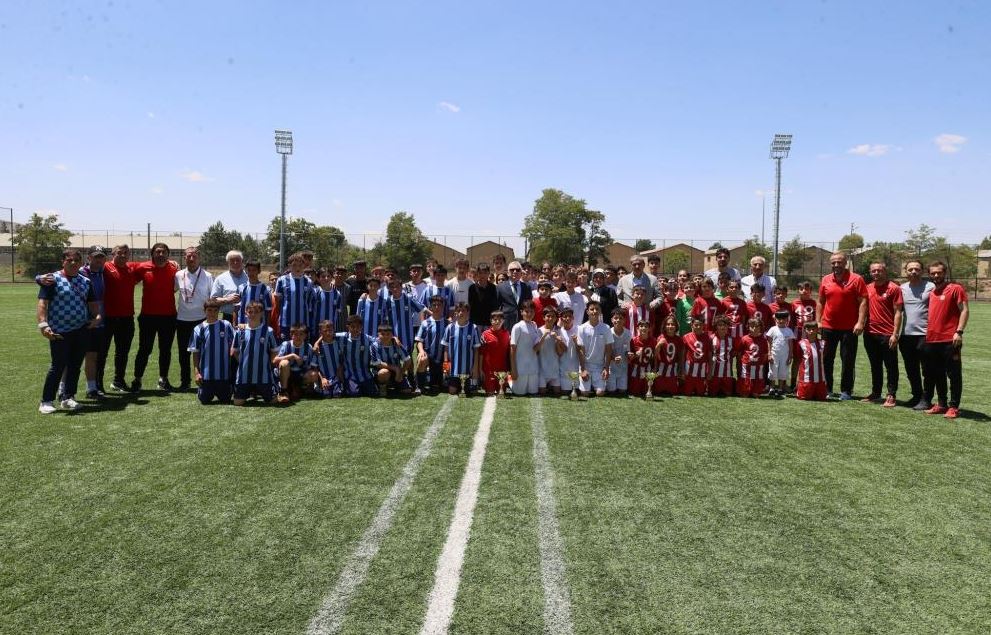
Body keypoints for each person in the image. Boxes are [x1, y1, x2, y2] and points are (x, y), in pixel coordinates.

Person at [37, 249, 101, 413]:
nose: (73, 263)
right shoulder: (52, 280)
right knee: (58, 366)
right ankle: (46, 401)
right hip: (59, 330)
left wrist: (97, 317)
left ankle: (68, 397)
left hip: (81, 329)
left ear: (81, 263)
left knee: (75, 365)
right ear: (63, 262)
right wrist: (43, 324)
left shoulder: (85, 281)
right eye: (69, 260)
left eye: (76, 260)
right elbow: (43, 303)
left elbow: (93, 305)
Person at [816, 252, 868, 400]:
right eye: (834, 262)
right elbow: (820, 301)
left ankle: (846, 391)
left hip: (849, 328)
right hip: (828, 326)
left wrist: (860, 322)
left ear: (846, 263)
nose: (836, 265)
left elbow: (863, 302)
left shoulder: (856, 279)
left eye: (839, 262)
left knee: (848, 359)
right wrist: (818, 321)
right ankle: (827, 388)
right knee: (826, 359)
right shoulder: (826, 279)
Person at [921, 261, 968, 418]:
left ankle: (954, 406)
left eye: (939, 272)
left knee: (953, 374)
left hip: (950, 339)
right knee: (937, 373)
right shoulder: (932, 293)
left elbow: (964, 310)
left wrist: (959, 332)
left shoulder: (955, 288)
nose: (936, 275)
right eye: (933, 273)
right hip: (932, 340)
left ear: (944, 273)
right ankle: (941, 404)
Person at [132, 242, 179, 393]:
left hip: (168, 317)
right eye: (157, 252)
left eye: (163, 252)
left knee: (165, 350)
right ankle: (137, 379)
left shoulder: (174, 269)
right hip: (148, 317)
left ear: (168, 254)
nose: (160, 254)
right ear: (152, 253)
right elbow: (128, 276)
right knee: (144, 349)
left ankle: (163, 379)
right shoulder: (142, 267)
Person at [862, 262, 903, 407]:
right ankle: (876, 392)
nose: (876, 273)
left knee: (891, 366)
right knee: (875, 365)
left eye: (879, 270)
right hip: (870, 333)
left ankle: (891, 394)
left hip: (887, 334)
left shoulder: (894, 288)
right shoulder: (867, 288)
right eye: (873, 271)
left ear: (885, 272)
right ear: (870, 272)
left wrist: (895, 334)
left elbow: (898, 312)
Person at [174, 247, 214, 392]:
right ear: (184, 258)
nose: (191, 259)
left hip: (201, 320)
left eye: (194, 256)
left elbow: (212, 298)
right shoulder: (178, 274)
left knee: (202, 352)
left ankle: (204, 380)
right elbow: (172, 290)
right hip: (182, 319)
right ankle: (185, 382)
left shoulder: (208, 276)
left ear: (199, 258)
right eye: (188, 256)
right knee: (183, 353)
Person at [899, 261, 934, 409]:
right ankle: (916, 396)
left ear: (922, 271)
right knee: (911, 369)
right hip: (906, 335)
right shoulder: (901, 288)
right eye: (910, 269)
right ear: (905, 271)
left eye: (917, 269)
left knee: (927, 369)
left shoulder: (931, 287)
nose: (913, 271)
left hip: (925, 335)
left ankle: (927, 399)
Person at [231, 301, 280, 406]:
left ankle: (268, 389)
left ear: (262, 313)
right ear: (246, 313)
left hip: (263, 376)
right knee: (238, 403)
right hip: (244, 376)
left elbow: (274, 351)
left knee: (273, 401)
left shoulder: (268, 331)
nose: (253, 314)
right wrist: (243, 362)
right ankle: (251, 391)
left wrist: (269, 364)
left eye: (256, 312)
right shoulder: (240, 331)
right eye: (250, 312)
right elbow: (234, 351)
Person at [188, 299, 235, 404]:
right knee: (204, 400)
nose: (212, 313)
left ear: (219, 311)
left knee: (226, 400)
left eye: (215, 310)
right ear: (204, 311)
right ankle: (203, 390)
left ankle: (229, 387)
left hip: (223, 375)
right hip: (206, 375)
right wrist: (196, 373)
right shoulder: (198, 329)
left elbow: (234, 344)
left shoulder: (226, 325)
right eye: (209, 310)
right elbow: (195, 352)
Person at [274, 253, 315, 343]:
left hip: (303, 322)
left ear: (304, 266)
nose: (297, 268)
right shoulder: (281, 280)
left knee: (302, 347)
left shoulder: (308, 282)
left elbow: (309, 302)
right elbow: (278, 301)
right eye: (294, 265)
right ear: (289, 266)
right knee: (286, 346)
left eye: (300, 265)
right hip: (286, 322)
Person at [577, 301, 614, 397]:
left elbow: (609, 349)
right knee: (584, 393)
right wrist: (583, 369)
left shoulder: (606, 328)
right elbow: (581, 350)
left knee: (600, 393)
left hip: (599, 366)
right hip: (586, 365)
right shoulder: (581, 328)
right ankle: (588, 386)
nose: (594, 311)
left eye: (597, 309)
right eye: (592, 309)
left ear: (600, 311)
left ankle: (595, 386)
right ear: (587, 312)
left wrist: (606, 368)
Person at [443, 302, 482, 395]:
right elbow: (446, 347)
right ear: (455, 313)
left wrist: (475, 367)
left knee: (469, 392)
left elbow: (476, 349)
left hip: (468, 369)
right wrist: (446, 365)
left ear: (468, 312)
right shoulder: (450, 328)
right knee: (452, 391)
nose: (461, 313)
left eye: (463, 310)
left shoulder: (473, 328)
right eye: (458, 311)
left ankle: (468, 384)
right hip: (453, 369)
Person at [274, 323, 319, 402]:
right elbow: (275, 360)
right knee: (284, 363)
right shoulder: (286, 345)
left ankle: (300, 388)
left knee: (314, 374)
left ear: (305, 336)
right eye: (296, 334)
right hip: (287, 374)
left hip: (300, 374)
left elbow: (312, 365)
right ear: (291, 335)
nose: (298, 337)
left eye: (301, 334)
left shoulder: (308, 347)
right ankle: (283, 392)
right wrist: (292, 356)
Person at [337, 314, 378, 397]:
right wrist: (317, 343)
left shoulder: (367, 338)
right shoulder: (342, 337)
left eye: (358, 327)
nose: (355, 329)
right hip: (350, 375)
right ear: (348, 327)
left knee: (373, 393)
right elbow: (327, 335)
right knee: (354, 393)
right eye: (353, 327)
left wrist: (394, 338)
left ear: (361, 327)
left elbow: (381, 340)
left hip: (365, 374)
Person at [415, 296, 448, 395]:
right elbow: (419, 340)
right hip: (429, 356)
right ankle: (419, 386)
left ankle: (444, 380)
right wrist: (421, 351)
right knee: (422, 359)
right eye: (434, 305)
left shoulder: (447, 323)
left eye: (439, 305)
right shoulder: (425, 323)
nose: (437, 307)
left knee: (437, 385)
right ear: (430, 307)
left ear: (443, 307)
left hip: (442, 357)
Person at [371, 323, 414, 396]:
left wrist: (401, 372)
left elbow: (408, 360)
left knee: (407, 391)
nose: (385, 336)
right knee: (384, 372)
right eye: (382, 334)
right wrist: (396, 368)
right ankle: (382, 387)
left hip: (396, 373)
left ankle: (394, 384)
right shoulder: (374, 345)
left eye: (388, 334)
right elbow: (377, 364)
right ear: (378, 334)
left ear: (392, 335)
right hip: (381, 372)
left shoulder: (397, 344)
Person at [510, 300, 541, 396]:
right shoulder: (517, 327)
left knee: (533, 393)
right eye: (527, 311)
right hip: (520, 369)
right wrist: (513, 369)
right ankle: (509, 381)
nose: (529, 314)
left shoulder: (534, 325)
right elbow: (512, 348)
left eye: (531, 311)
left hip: (533, 368)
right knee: (519, 394)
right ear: (521, 312)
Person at [765, 310, 796, 398]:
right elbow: (769, 342)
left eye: (783, 319)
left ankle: (780, 388)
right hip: (774, 354)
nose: (781, 321)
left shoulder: (789, 331)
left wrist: (790, 355)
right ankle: (772, 388)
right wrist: (769, 354)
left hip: (785, 356)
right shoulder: (772, 329)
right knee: (773, 371)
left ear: (787, 320)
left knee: (783, 371)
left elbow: (791, 344)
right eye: (778, 319)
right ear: (775, 319)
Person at [210, 250, 247, 323]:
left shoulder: (249, 277)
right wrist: (228, 299)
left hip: (246, 316)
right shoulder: (220, 279)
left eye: (238, 260)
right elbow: (213, 300)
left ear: (242, 261)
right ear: (228, 262)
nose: (235, 262)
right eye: (232, 260)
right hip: (224, 315)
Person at [480, 310, 510, 396]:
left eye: (500, 320)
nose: (497, 322)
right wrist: (480, 369)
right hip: (489, 371)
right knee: (490, 393)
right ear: (491, 321)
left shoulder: (507, 334)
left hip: (502, 371)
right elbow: (481, 353)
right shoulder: (485, 334)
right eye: (495, 319)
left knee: (501, 393)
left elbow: (509, 353)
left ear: (503, 321)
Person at [737, 318, 770, 398]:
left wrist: (760, 362)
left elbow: (765, 354)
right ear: (748, 327)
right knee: (745, 394)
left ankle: (757, 389)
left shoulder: (763, 340)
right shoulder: (744, 339)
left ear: (761, 328)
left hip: (758, 368)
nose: (754, 328)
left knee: (756, 395)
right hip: (746, 368)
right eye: (752, 326)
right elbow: (739, 353)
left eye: (757, 326)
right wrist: (742, 362)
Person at [796, 321, 828, 401]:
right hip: (806, 379)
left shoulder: (823, 343)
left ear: (817, 330)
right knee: (804, 398)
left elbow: (824, 356)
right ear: (805, 330)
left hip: (820, 379)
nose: (811, 331)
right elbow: (799, 359)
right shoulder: (801, 343)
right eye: (809, 329)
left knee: (822, 398)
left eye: (813, 329)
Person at [536, 307, 565, 396]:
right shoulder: (539, 330)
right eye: (548, 316)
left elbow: (560, 353)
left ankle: (550, 387)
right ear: (543, 317)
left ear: (556, 318)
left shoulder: (559, 331)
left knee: (557, 392)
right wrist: (544, 336)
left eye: (553, 316)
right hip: (542, 370)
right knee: (542, 392)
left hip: (555, 370)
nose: (550, 318)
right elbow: (536, 350)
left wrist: (557, 340)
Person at [236, 259, 274, 326]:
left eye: (254, 270)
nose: (251, 273)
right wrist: (235, 323)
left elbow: (268, 310)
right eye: (249, 270)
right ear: (246, 271)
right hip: (243, 325)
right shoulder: (241, 287)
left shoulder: (265, 289)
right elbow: (236, 307)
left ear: (259, 271)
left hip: (259, 326)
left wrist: (267, 326)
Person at [496, 261, 532, 331]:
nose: (515, 271)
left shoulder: (527, 287)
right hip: (506, 323)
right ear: (508, 273)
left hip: (523, 322)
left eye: (517, 270)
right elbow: (497, 306)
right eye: (512, 270)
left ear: (521, 272)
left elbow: (529, 305)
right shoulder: (500, 287)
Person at [681, 316, 712, 397]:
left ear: (703, 325)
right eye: (696, 325)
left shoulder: (708, 338)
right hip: (689, 371)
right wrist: (682, 370)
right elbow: (683, 356)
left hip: (701, 372)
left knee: (701, 393)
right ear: (692, 325)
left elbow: (709, 357)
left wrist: (709, 372)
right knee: (687, 393)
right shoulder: (686, 337)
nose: (698, 327)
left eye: (700, 325)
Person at [653, 315, 683, 396]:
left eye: (672, 324)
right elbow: (655, 355)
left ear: (676, 326)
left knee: (673, 392)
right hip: (661, 370)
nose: (670, 326)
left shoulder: (679, 339)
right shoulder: (661, 337)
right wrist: (658, 345)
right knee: (658, 391)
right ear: (664, 326)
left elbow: (680, 356)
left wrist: (680, 369)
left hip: (672, 370)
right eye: (668, 324)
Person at [314, 320, 344, 398]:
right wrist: (322, 379)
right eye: (325, 331)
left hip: (336, 377)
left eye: (330, 330)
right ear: (320, 332)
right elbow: (315, 367)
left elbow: (341, 362)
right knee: (326, 395)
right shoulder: (317, 348)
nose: (328, 333)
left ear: (334, 331)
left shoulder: (338, 343)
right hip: (324, 378)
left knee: (337, 395)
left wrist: (339, 377)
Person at [708, 316, 737, 397]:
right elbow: (709, 354)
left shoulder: (732, 339)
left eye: (725, 325)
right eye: (720, 325)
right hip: (714, 372)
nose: (722, 327)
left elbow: (734, 353)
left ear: (728, 326)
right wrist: (709, 371)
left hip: (727, 372)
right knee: (712, 394)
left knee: (728, 394)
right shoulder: (711, 338)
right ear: (716, 326)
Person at [607, 307, 632, 396]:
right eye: (616, 318)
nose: (618, 320)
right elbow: (606, 352)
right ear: (612, 320)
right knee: (611, 392)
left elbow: (627, 350)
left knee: (622, 391)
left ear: (624, 320)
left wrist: (629, 354)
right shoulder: (608, 332)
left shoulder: (628, 333)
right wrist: (613, 358)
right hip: (611, 368)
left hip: (623, 368)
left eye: (620, 318)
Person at [468, 262, 499, 328]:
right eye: (480, 273)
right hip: (475, 323)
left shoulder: (493, 288)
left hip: (489, 323)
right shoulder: (472, 288)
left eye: (485, 273)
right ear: (477, 274)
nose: (482, 275)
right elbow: (470, 306)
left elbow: (495, 306)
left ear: (488, 273)